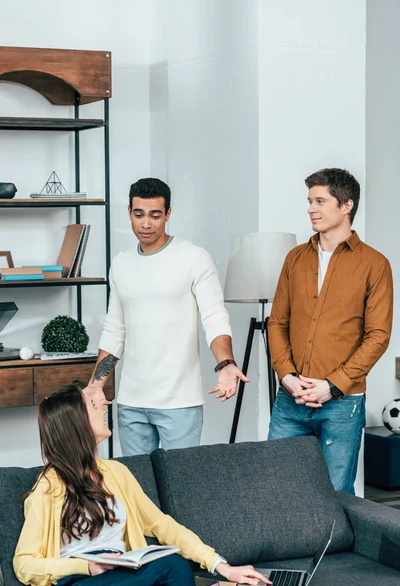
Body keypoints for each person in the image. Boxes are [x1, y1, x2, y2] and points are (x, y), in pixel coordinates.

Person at [13, 383, 269, 586]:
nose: (103, 407)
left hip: (125, 572)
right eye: (93, 405)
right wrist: (86, 566)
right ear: (76, 425)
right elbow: (24, 565)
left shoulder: (116, 473)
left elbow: (163, 525)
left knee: (174, 566)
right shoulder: (48, 488)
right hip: (81, 578)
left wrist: (221, 566)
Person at [84, 178, 247, 455]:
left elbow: (214, 317)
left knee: (179, 489)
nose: (146, 223)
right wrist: (95, 385)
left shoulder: (193, 257)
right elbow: (115, 329)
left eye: (155, 215)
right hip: (131, 402)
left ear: (168, 214)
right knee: (137, 489)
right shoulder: (121, 263)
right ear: (129, 212)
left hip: (179, 402)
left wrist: (226, 363)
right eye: (139, 214)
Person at [267, 168, 393, 494]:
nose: (311, 208)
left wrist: (331, 385)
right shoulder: (294, 259)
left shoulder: (374, 265)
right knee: (276, 491)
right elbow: (277, 322)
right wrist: (286, 376)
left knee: (335, 496)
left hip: (342, 404)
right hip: (289, 401)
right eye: (310, 201)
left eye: (320, 201)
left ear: (346, 205)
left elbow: (378, 336)